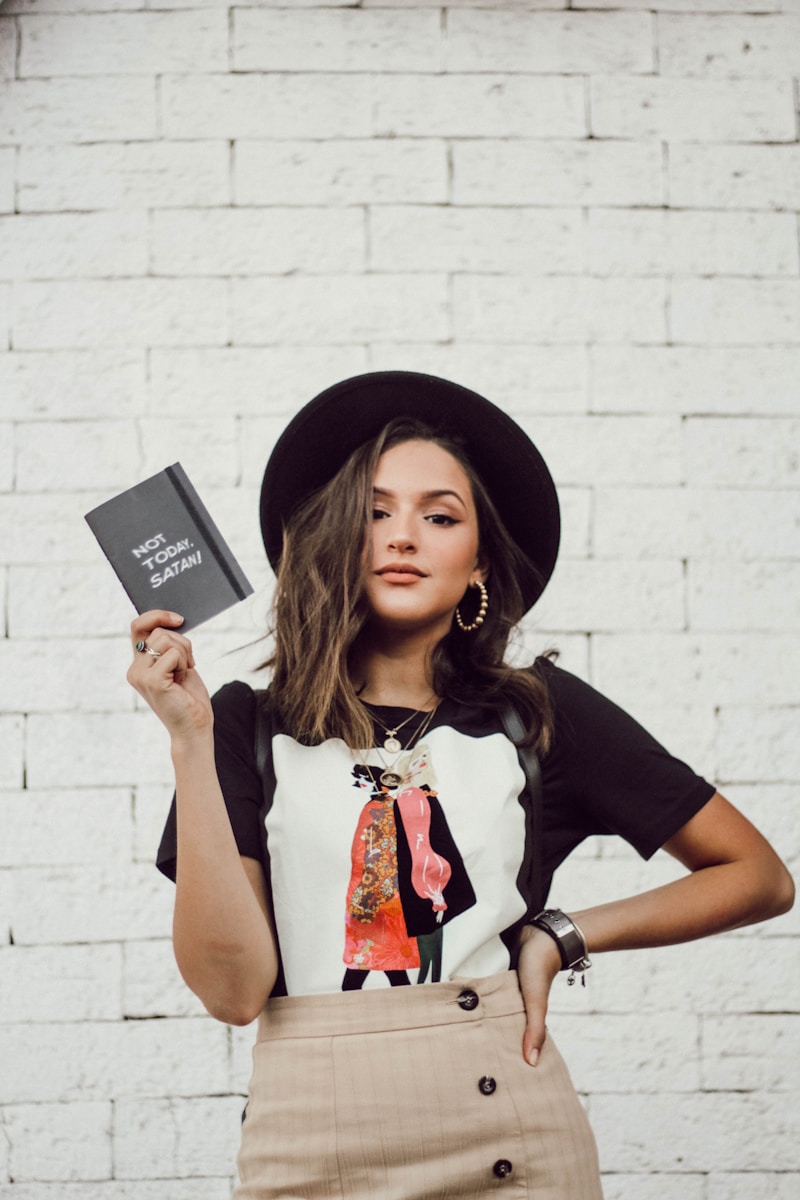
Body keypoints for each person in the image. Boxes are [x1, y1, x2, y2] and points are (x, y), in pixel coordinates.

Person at [127, 371, 794, 1200]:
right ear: (332, 537)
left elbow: (758, 877)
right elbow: (232, 995)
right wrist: (188, 742)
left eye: (439, 516)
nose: (404, 536)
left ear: (477, 563)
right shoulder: (242, 725)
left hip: (512, 1132)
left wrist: (561, 935)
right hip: (308, 1147)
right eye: (374, 512)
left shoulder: (536, 713)